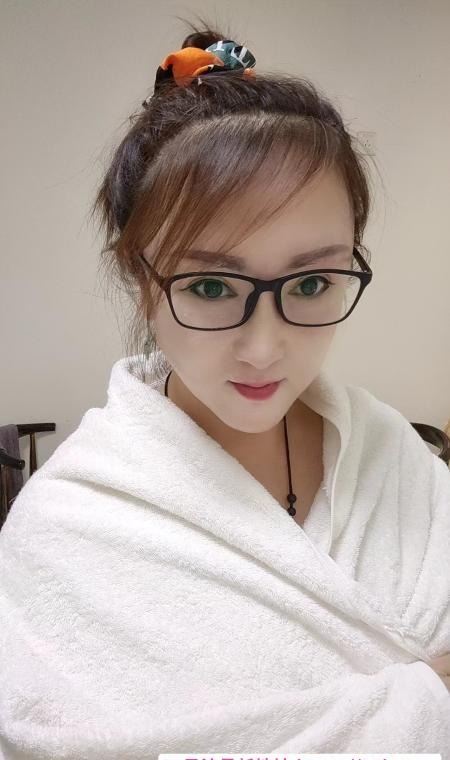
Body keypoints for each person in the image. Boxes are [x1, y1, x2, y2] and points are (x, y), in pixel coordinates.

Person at [0, 18, 449, 759]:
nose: (264, 348)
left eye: (311, 282)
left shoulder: (390, 454)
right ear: (139, 279)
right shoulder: (65, 531)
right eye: (210, 285)